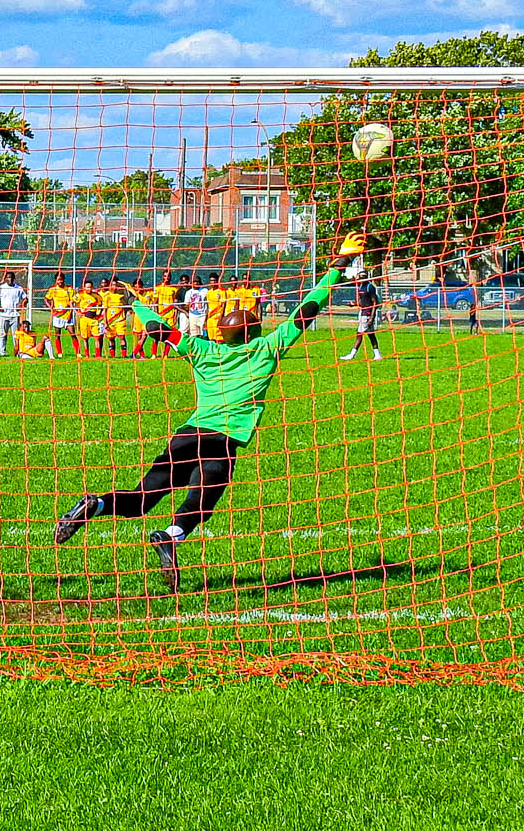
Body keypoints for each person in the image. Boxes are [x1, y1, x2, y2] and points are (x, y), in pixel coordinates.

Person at [53, 237, 368, 591]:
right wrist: (339, 265)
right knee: (201, 503)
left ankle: (95, 504)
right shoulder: (267, 348)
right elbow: (306, 310)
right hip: (222, 440)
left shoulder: (202, 349)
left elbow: (159, 331)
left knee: (141, 500)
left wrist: (139, 304)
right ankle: (171, 536)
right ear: (254, 330)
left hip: (187, 435)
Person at [342, 274, 383, 362]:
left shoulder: (370, 287)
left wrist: (372, 317)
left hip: (367, 314)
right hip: (362, 312)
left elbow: (375, 303)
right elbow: (362, 302)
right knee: (371, 334)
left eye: (361, 279)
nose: (359, 280)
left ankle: (352, 354)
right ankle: (377, 354)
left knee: (359, 334)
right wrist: (354, 304)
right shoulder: (361, 286)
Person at [0, 270, 27, 356]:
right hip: (4, 315)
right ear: (5, 278)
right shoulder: (1, 288)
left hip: (15, 315)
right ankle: (2, 353)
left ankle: (16, 352)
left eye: (12, 278)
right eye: (8, 277)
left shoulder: (19, 288)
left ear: (14, 279)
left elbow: (25, 299)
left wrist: (21, 305)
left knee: (15, 335)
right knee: (3, 334)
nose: (10, 279)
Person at [99, 279, 131, 359]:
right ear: (110, 286)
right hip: (110, 321)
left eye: (116, 285)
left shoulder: (121, 296)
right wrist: (105, 322)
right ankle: (113, 356)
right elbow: (105, 310)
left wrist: (122, 282)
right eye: (113, 285)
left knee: (122, 337)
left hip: (120, 320)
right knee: (111, 339)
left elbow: (130, 291)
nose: (115, 287)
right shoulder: (107, 296)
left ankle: (124, 355)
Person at [44, 274, 74, 358]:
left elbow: (72, 302)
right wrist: (50, 307)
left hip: (67, 314)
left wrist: (70, 314)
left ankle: (78, 353)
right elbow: (46, 298)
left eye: (61, 280)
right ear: (55, 280)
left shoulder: (69, 289)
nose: (60, 281)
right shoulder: (52, 289)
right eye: (58, 280)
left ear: (63, 280)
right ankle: (59, 353)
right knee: (57, 335)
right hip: (57, 315)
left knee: (73, 334)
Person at [73, 279, 103, 359]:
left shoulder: (96, 296)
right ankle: (87, 355)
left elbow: (101, 305)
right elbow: (71, 302)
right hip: (84, 319)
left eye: (90, 287)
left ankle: (98, 355)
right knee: (85, 338)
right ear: (84, 287)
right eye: (87, 287)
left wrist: (99, 314)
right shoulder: (80, 295)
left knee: (97, 337)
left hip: (94, 319)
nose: (88, 289)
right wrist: (76, 312)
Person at [182, 273, 209, 340]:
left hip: (202, 315)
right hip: (193, 315)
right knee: (194, 334)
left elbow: (208, 302)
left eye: (197, 282)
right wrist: (188, 310)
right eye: (194, 282)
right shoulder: (189, 292)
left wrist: (207, 312)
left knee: (203, 333)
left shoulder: (204, 291)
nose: (196, 283)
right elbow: (186, 304)